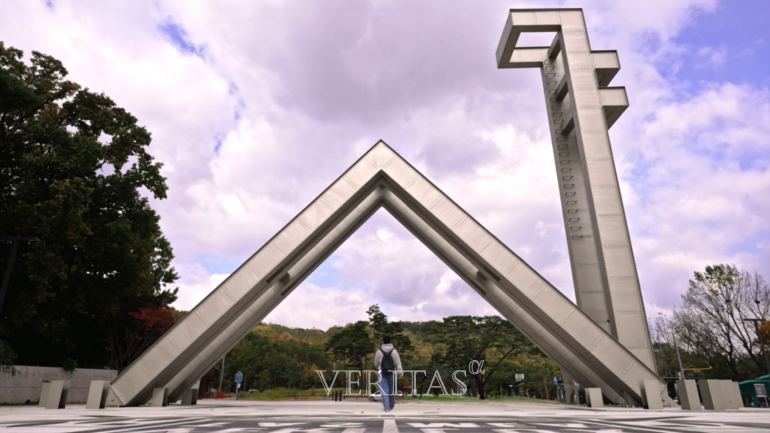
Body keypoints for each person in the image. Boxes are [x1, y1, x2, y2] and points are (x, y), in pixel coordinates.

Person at [374, 335, 402, 412]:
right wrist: (399, 372)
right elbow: (398, 362)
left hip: (381, 372)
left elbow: (376, 363)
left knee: (383, 390)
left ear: (383, 342)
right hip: (392, 372)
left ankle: (386, 407)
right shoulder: (394, 351)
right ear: (390, 341)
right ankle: (391, 406)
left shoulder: (379, 351)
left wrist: (377, 368)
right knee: (391, 389)